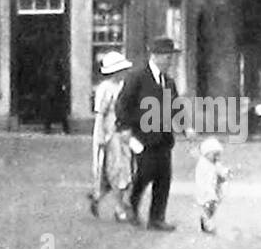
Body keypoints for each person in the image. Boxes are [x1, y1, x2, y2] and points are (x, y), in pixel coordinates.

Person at [116, 36, 194, 231]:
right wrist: (123, 127)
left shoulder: (168, 82)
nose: (170, 61)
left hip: (163, 138)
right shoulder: (137, 77)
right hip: (142, 136)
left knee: (163, 178)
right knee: (144, 174)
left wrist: (186, 127)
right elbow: (123, 104)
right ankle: (130, 206)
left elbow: (175, 107)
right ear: (156, 56)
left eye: (171, 57)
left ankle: (157, 218)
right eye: (168, 57)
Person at [89, 50, 134, 221]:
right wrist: (100, 135)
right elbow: (100, 113)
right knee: (116, 168)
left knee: (127, 167)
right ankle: (119, 207)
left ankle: (100, 198)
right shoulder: (105, 88)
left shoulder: (126, 86)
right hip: (110, 131)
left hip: (126, 130)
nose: (122, 73)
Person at [195, 137, 231, 234]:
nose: (216, 157)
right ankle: (207, 223)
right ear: (206, 154)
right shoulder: (203, 164)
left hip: (215, 190)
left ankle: (207, 220)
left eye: (218, 154)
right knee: (209, 206)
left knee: (213, 208)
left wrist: (225, 172)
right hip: (207, 190)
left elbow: (220, 170)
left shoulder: (215, 163)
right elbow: (203, 179)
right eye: (214, 154)